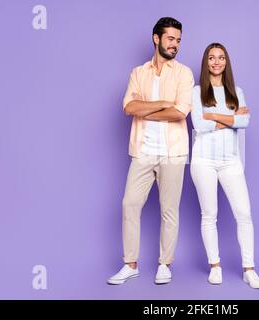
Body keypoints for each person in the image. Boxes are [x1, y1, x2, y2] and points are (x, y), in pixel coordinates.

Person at [107, 17, 194, 285]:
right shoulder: (138, 73)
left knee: (169, 210)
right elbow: (128, 107)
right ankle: (130, 264)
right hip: (143, 151)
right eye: (170, 38)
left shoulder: (184, 73)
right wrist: (163, 103)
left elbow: (181, 111)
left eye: (178, 40)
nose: (175, 44)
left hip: (173, 152)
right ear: (156, 38)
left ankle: (165, 264)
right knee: (129, 204)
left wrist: (149, 109)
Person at [190, 43, 259, 289]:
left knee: (244, 214)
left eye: (221, 58)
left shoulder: (236, 91)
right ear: (206, 62)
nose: (216, 62)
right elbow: (198, 126)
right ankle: (215, 266)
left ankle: (249, 269)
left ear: (226, 62)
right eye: (212, 58)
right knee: (209, 215)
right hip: (203, 161)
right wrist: (230, 119)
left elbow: (245, 122)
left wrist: (212, 115)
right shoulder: (197, 91)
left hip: (231, 160)